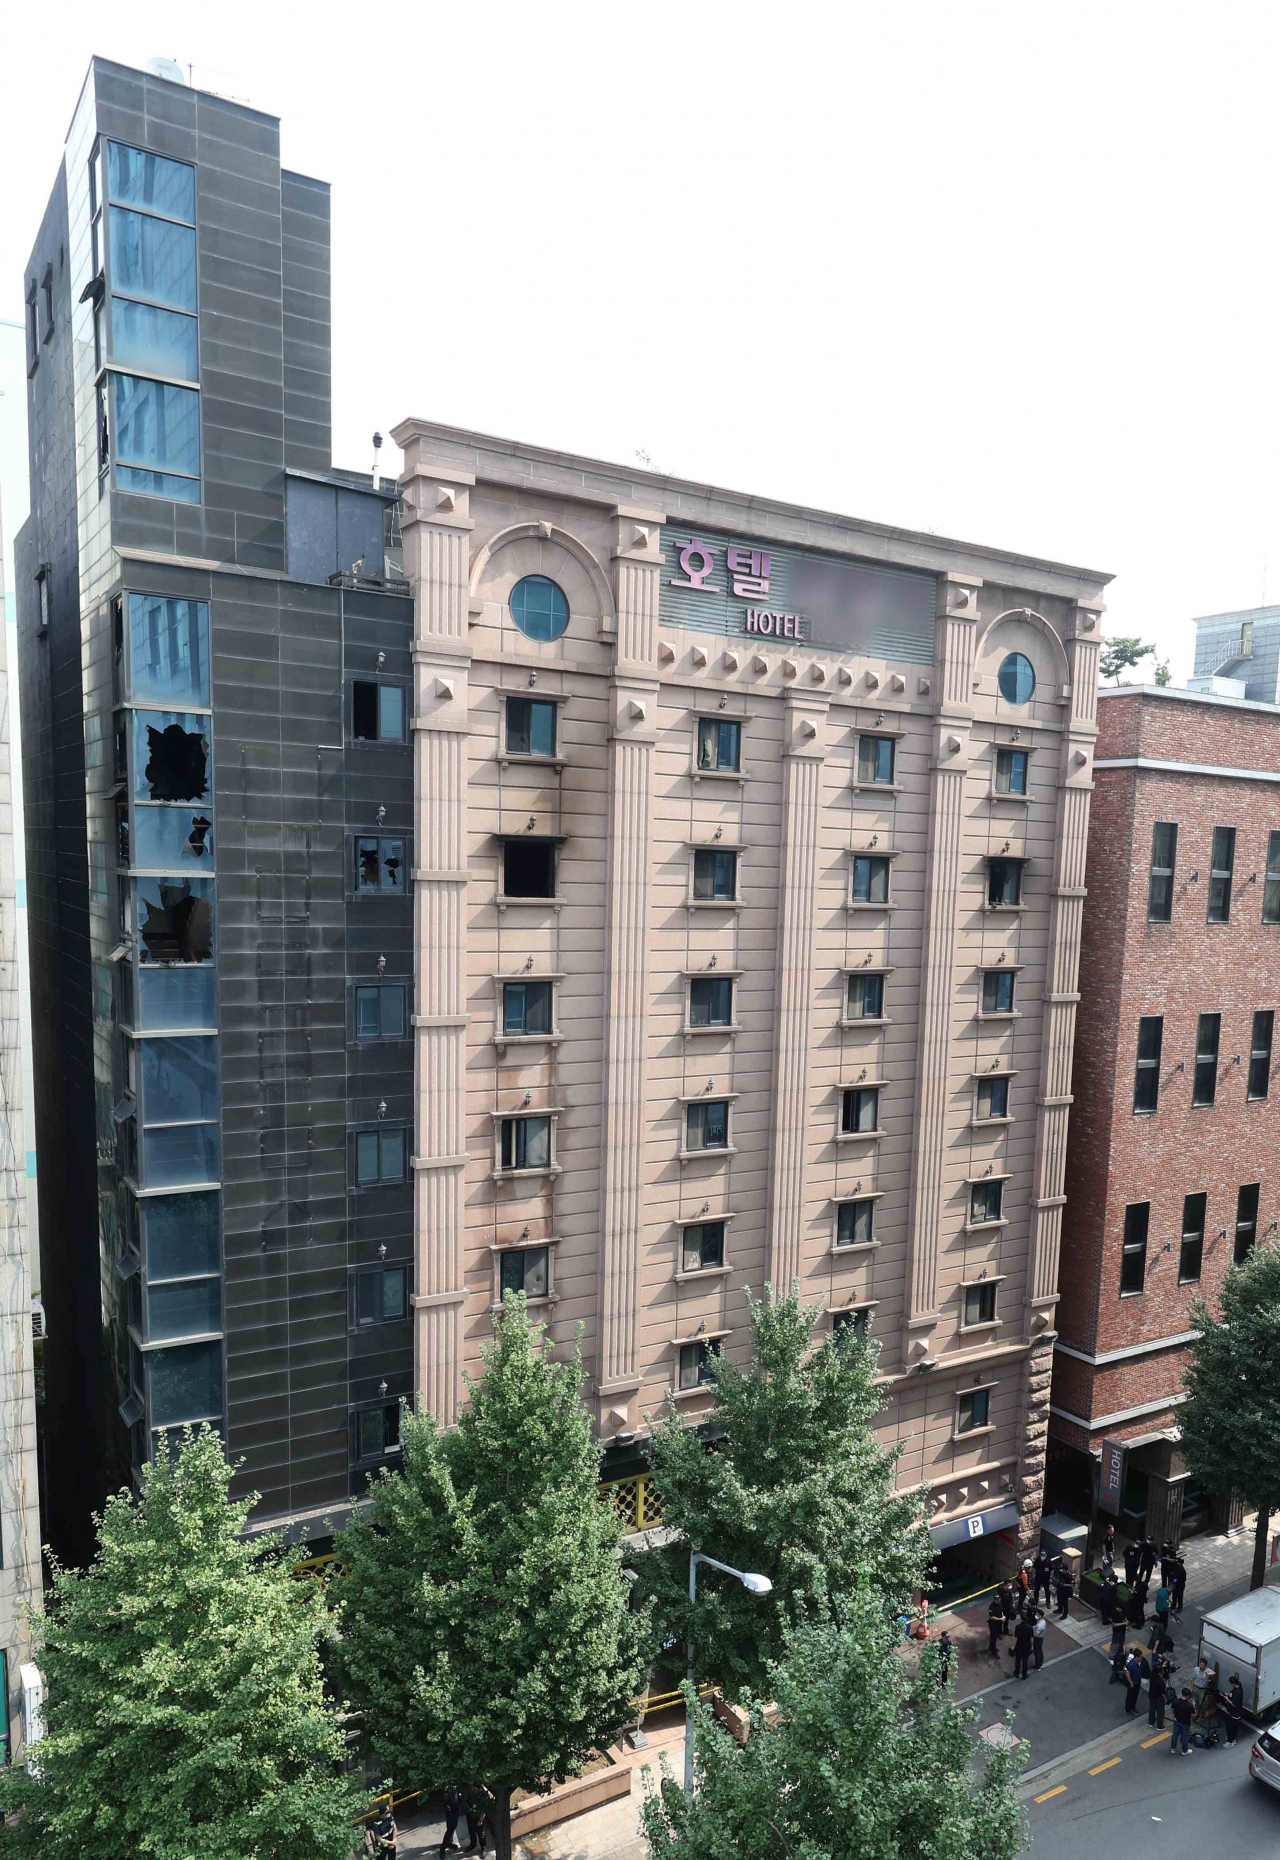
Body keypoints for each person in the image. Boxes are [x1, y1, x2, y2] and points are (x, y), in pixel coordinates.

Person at [440, 1788, 472, 1856]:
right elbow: (446, 1798)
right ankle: (443, 1848)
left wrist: (459, 1801)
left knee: (452, 1827)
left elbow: (458, 1794)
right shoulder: (448, 1786)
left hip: (455, 1809)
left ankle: (449, 1842)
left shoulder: (455, 1784)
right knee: (450, 1829)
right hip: (451, 1810)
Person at [1171, 1686, 1195, 1755]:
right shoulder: (1189, 1705)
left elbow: (1172, 1709)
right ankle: (1184, 1751)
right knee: (1184, 1736)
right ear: (1188, 1696)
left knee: (1175, 1735)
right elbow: (1193, 1715)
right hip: (1185, 1723)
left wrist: (1175, 1715)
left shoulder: (1176, 1701)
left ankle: (1173, 1748)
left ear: (1181, 1693)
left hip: (1177, 1721)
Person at [1223, 1673, 1245, 1746]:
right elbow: (1232, 1696)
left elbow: (1234, 1704)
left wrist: (1226, 1699)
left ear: (1232, 1683)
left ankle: (1230, 1741)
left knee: (1230, 1726)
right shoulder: (1237, 1688)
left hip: (1234, 1713)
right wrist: (1228, 1695)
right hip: (1234, 1712)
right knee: (1232, 1726)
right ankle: (1231, 1738)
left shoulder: (1237, 1692)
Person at [1013, 1611, 1035, 1680]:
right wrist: (1032, 1646)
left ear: (1021, 1618)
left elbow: (1016, 1638)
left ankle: (1016, 1672)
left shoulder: (1018, 1627)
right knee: (1025, 1661)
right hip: (1026, 1646)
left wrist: (1014, 1646)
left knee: (1018, 1660)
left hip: (1019, 1645)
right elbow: (1031, 1638)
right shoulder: (1030, 1627)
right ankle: (1024, 1675)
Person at [1148, 1658, 1169, 1729]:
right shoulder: (1160, 1682)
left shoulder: (1152, 1675)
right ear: (1160, 1672)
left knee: (1152, 1709)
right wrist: (1165, 1699)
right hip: (1159, 1698)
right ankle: (1160, 1726)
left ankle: (1151, 1722)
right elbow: (1163, 1692)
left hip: (1151, 1695)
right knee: (1160, 1712)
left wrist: (1161, 1666)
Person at [1123, 1649, 1145, 1717]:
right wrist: (1131, 1683)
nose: (1141, 1658)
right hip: (1133, 1684)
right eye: (1140, 1656)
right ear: (1136, 1657)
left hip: (1138, 1683)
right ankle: (1127, 1709)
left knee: (1135, 1696)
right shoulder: (1132, 1664)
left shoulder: (1140, 1663)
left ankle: (1133, 1707)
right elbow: (1127, 1674)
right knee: (1130, 1697)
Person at [987, 1591, 1005, 1657]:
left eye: (998, 1599)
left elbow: (1001, 1611)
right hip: (993, 1624)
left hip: (999, 1623)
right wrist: (1000, 1619)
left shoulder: (1000, 1603)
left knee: (995, 1636)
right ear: (993, 1599)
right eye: (996, 1599)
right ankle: (993, 1651)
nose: (997, 1600)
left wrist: (1003, 1616)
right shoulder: (991, 1607)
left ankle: (991, 1647)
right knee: (993, 1638)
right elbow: (992, 1617)